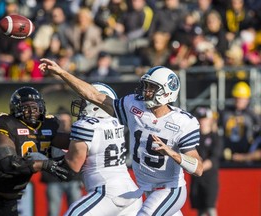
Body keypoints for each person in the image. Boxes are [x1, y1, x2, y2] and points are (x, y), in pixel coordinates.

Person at [39, 59, 204, 216]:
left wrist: (172, 153)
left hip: (169, 189)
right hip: (146, 188)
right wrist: (61, 72)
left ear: (167, 92)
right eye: (146, 86)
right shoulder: (134, 106)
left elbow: (198, 168)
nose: (146, 91)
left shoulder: (182, 122)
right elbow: (94, 95)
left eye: (152, 87)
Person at [0, 86, 71, 216]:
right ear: (16, 109)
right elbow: (7, 163)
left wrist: (89, 133)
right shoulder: (7, 125)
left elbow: (73, 143)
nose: (32, 111)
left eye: (35, 107)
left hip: (10, 198)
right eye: (26, 107)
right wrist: (45, 164)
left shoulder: (49, 125)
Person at [63, 82, 142, 215]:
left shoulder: (85, 125)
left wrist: (43, 163)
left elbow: (73, 164)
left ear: (95, 106)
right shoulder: (117, 123)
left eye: (84, 102)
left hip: (107, 192)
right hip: (131, 190)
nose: (81, 106)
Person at [41, 107, 83, 216]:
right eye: (61, 121)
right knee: (53, 212)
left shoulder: (77, 135)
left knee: (76, 211)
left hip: (73, 179)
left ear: (70, 121)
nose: (64, 123)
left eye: (66, 121)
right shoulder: (49, 135)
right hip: (53, 179)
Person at [190, 107, 222, 216]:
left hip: (209, 178)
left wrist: (198, 166)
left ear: (210, 120)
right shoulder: (193, 138)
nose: (202, 121)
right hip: (196, 178)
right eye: (200, 119)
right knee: (200, 210)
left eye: (204, 119)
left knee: (210, 207)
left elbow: (214, 158)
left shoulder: (215, 137)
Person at [218, 81, 260, 161]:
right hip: (227, 152)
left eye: (242, 98)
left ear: (247, 99)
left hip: (246, 153)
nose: (239, 100)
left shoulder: (252, 115)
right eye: (237, 97)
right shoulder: (225, 112)